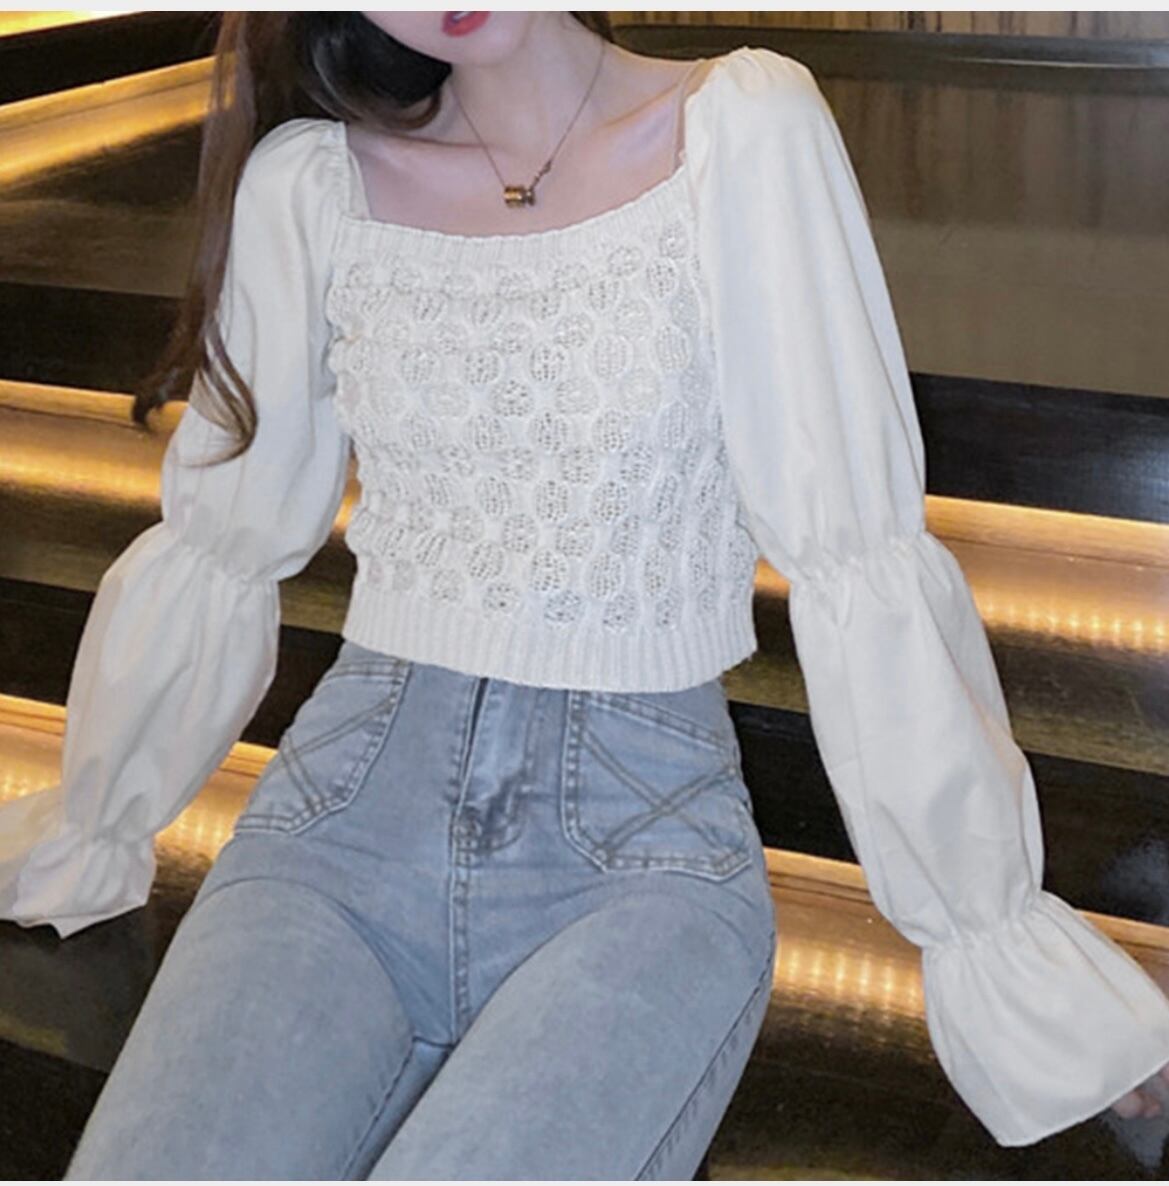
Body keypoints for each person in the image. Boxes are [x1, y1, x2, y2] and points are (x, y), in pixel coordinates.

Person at [1, 10, 1167, 1179]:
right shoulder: (310, 184)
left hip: (638, 860)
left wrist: (1000, 946)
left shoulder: (738, 127)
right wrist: (99, 818)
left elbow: (854, 553)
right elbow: (221, 544)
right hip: (342, 827)